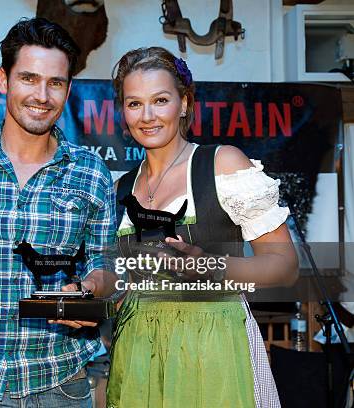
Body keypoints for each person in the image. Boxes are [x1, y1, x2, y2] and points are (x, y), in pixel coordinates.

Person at [0, 18, 117, 407]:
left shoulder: (90, 171)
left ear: (68, 89)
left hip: (60, 383)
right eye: (29, 78)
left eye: (56, 82)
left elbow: (106, 263)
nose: (43, 95)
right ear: (4, 80)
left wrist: (90, 291)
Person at [106, 47, 299, 407]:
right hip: (139, 352)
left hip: (213, 347)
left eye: (160, 100)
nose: (147, 116)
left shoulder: (223, 163)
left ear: (184, 103)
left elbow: (285, 266)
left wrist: (207, 265)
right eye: (134, 104)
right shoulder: (122, 187)